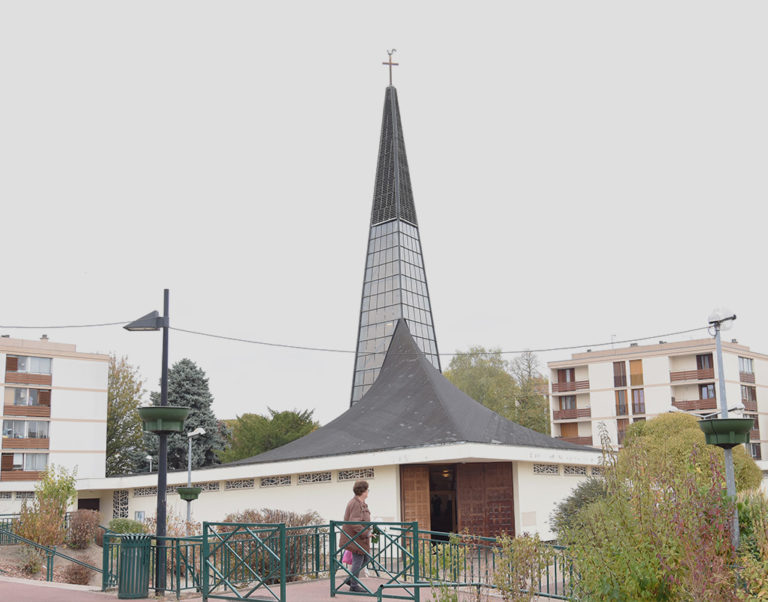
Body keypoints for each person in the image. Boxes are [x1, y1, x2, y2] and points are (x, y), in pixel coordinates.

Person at [339, 479, 371, 593]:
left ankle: (351, 579)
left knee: (366, 558)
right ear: (363, 491)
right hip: (355, 538)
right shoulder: (355, 503)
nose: (368, 492)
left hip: (360, 538)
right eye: (367, 490)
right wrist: (366, 532)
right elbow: (354, 522)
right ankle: (354, 585)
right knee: (359, 559)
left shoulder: (361, 503)